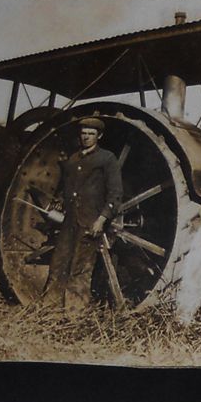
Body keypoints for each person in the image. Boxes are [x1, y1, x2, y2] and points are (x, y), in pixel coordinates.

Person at [43, 117, 123, 312]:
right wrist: (58, 203)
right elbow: (65, 188)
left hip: (90, 221)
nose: (86, 137)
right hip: (69, 222)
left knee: (81, 267)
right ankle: (48, 310)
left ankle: (74, 313)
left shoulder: (107, 159)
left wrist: (102, 219)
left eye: (91, 134)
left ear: (99, 136)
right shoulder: (73, 159)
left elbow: (115, 193)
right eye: (84, 133)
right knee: (58, 263)